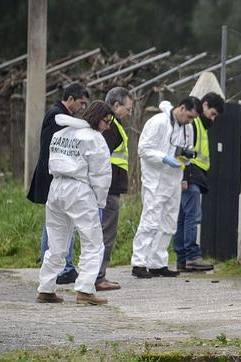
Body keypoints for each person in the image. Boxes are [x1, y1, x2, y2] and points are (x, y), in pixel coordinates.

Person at [36, 101, 113, 305]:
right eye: (107, 121)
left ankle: (46, 287)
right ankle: (85, 290)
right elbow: (101, 174)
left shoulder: (61, 133)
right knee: (93, 243)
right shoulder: (94, 138)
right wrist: (100, 202)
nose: (108, 126)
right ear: (98, 118)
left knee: (56, 242)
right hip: (79, 189)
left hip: (56, 187)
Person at [130, 97, 201, 278]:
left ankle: (158, 263)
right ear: (182, 108)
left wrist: (186, 157)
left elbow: (187, 149)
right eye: (190, 116)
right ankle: (139, 262)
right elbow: (143, 149)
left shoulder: (188, 128)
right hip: (155, 179)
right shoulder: (157, 122)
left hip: (174, 179)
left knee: (169, 223)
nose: (190, 121)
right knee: (150, 221)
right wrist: (163, 157)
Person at [27, 83, 90, 285]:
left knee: (55, 223)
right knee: (55, 225)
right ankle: (60, 267)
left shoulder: (59, 115)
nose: (82, 107)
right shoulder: (58, 117)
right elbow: (53, 151)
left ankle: (60, 267)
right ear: (70, 98)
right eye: (81, 102)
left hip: (52, 175)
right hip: (53, 175)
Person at [172, 92, 224, 272]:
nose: (213, 119)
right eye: (213, 114)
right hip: (191, 175)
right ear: (205, 105)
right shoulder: (194, 126)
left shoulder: (198, 125)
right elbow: (185, 152)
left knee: (183, 217)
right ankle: (192, 256)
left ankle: (182, 258)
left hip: (191, 175)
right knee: (191, 217)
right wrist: (185, 177)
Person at [95, 87, 134, 291]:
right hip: (108, 190)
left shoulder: (111, 124)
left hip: (106, 188)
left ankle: (95, 276)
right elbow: (102, 157)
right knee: (106, 234)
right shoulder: (110, 127)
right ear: (116, 105)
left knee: (100, 233)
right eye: (127, 108)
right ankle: (98, 277)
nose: (129, 113)